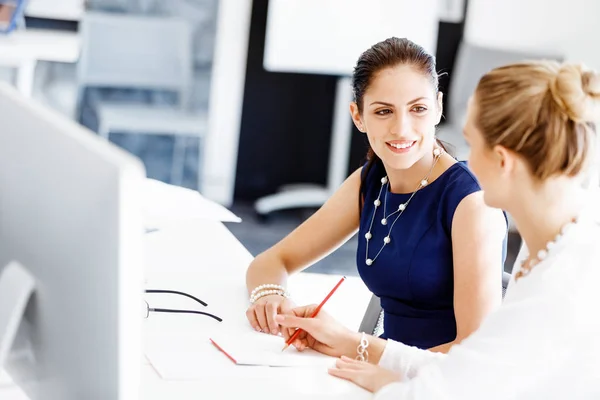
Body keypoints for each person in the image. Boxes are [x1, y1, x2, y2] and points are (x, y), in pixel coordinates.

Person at [274, 60, 600, 399]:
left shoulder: (566, 282)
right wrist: (354, 344)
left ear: (502, 161)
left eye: (472, 145)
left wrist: (386, 379)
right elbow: (472, 369)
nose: (465, 162)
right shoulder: (547, 250)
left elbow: (459, 388)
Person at [246, 37, 507, 352]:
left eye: (418, 109)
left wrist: (354, 346)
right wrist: (271, 297)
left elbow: (475, 353)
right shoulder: (371, 180)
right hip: (380, 370)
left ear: (438, 107)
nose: (402, 128)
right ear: (358, 116)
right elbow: (272, 261)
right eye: (384, 112)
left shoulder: (470, 202)